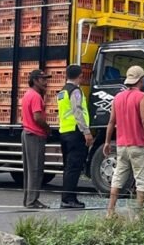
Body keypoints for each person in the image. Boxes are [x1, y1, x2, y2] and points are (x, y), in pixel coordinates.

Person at [103, 65, 144, 216]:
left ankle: (110, 211)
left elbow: (111, 122)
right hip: (138, 146)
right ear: (141, 80)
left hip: (121, 145)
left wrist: (107, 142)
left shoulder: (117, 97)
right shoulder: (141, 97)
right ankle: (138, 215)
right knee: (142, 179)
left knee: (118, 178)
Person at [57, 64, 92, 209]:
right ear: (80, 76)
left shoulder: (62, 91)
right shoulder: (75, 91)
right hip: (75, 132)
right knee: (74, 167)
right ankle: (68, 199)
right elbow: (78, 112)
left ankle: (68, 197)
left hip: (64, 132)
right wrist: (86, 131)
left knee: (68, 167)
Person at [21, 69, 52, 209]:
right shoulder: (35, 97)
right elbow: (37, 117)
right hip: (35, 134)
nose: (46, 82)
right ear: (35, 80)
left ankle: (28, 199)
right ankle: (32, 200)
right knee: (36, 169)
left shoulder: (29, 94)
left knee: (29, 169)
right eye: (43, 79)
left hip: (27, 133)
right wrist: (48, 128)